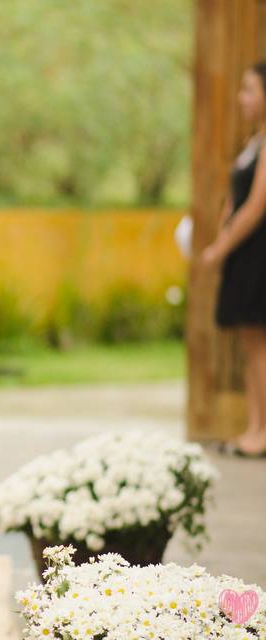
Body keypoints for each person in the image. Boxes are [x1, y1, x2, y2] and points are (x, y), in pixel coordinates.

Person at [203, 61, 266, 457]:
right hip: (243, 255)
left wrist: (219, 248)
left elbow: (257, 206)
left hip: (259, 256)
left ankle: (264, 434)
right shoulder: (253, 142)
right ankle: (254, 427)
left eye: (249, 90)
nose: (242, 98)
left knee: (260, 344)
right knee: (248, 343)